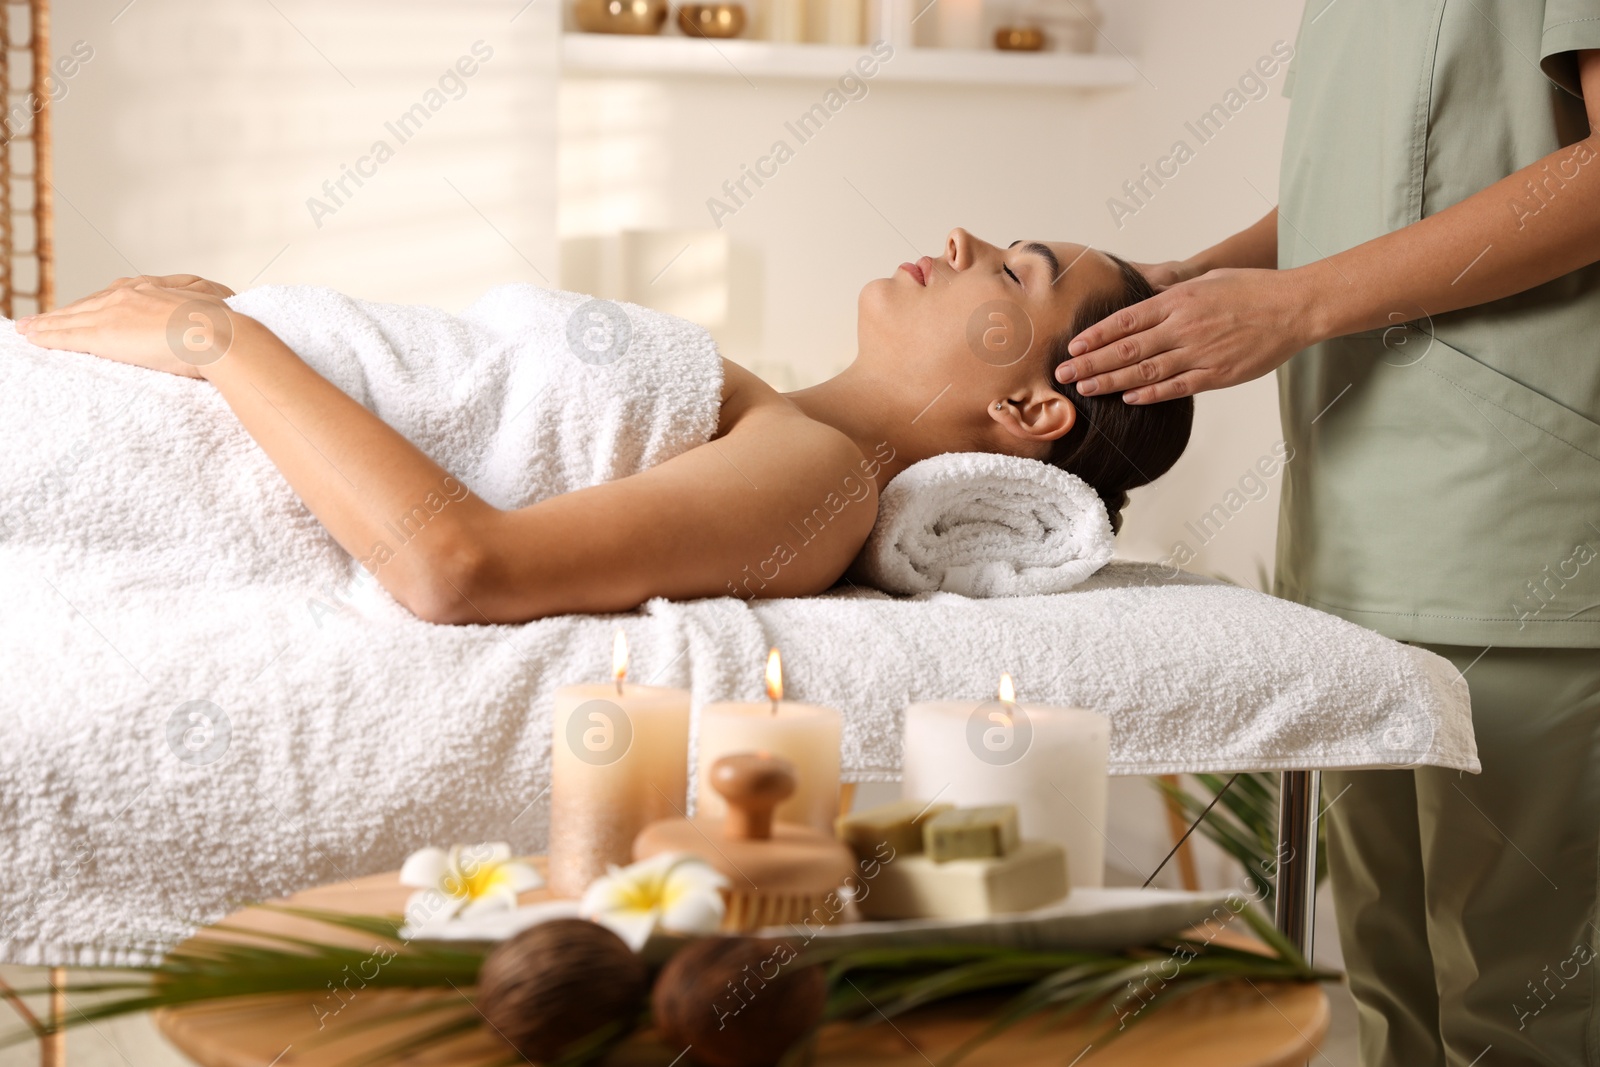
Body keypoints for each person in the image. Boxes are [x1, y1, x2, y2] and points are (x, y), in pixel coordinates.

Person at [1056, 5, 1600, 1065]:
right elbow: (1370, 189)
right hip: (1353, 528)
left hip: (1514, 532)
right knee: (1392, 994)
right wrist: (1199, 284)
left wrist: (1298, 304)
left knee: (1519, 1014)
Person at [13, 229, 1191, 624]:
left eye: (1016, 272)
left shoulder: (820, 481)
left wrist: (223, 345)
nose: (963, 241)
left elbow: (456, 564)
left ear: (1028, 406)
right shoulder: (776, 424)